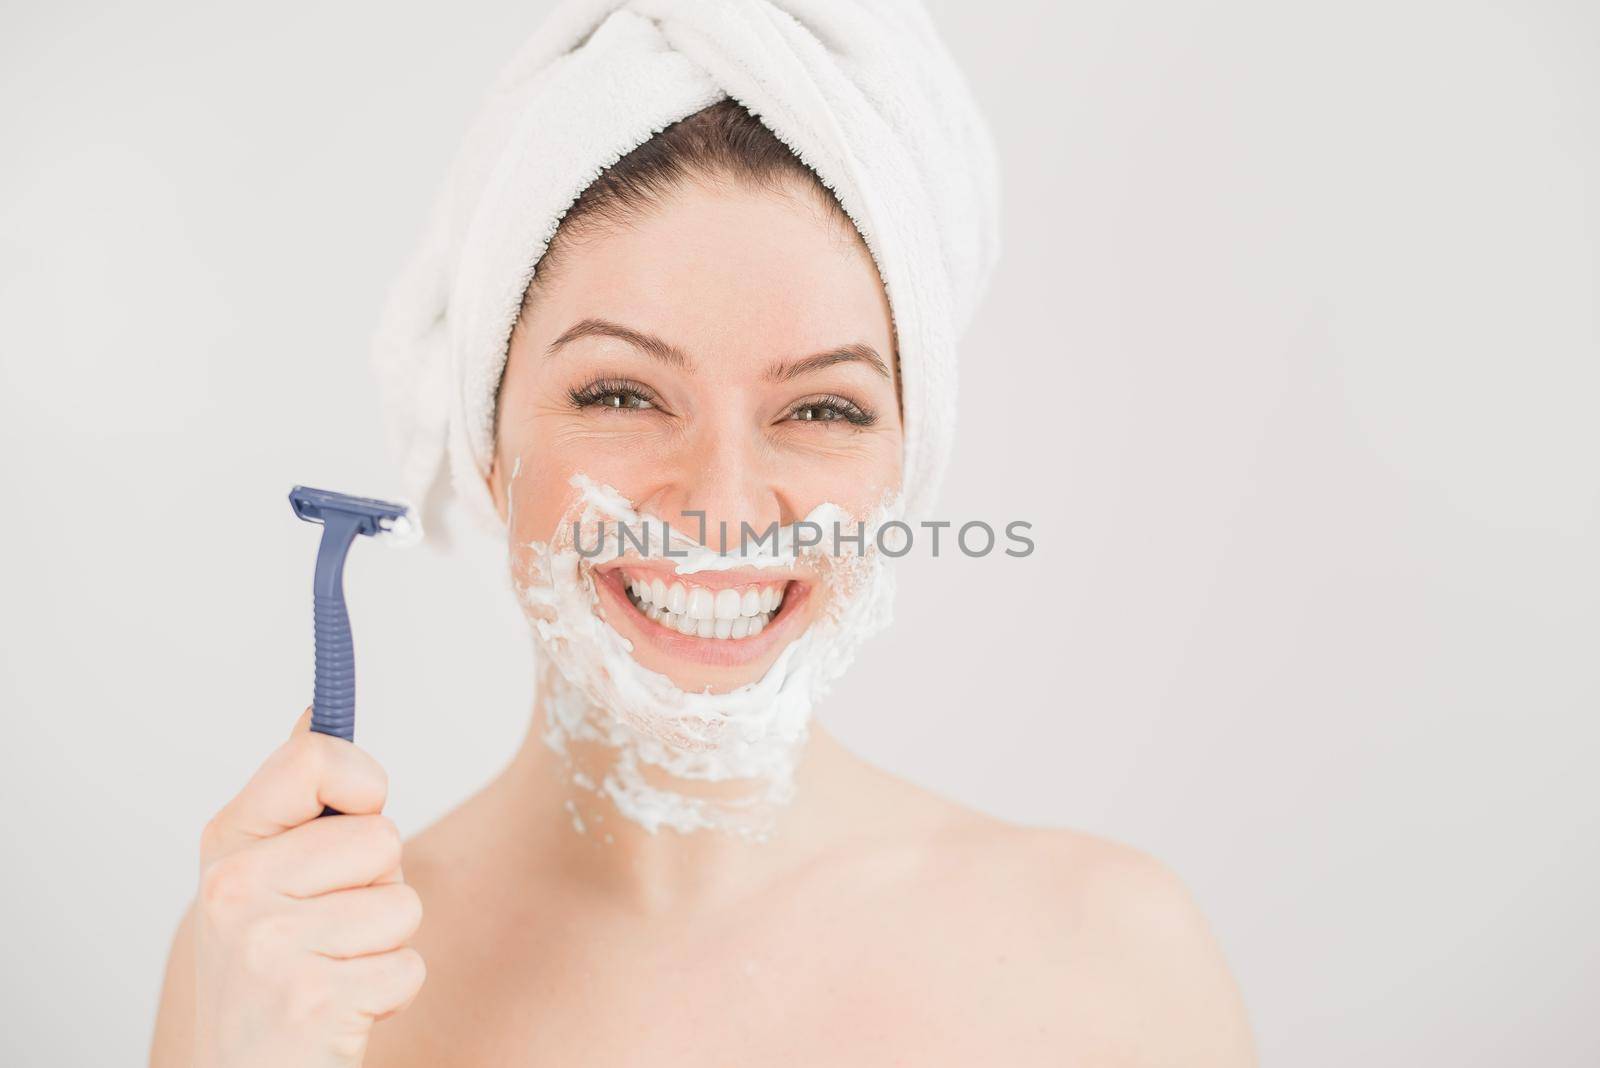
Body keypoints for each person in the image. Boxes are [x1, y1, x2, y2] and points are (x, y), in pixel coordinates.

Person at [151, 6, 1255, 1066]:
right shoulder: (286, 968)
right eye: (622, 395)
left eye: (823, 411)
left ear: (906, 467)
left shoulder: (1113, 958)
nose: (717, 503)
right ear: (487, 440)